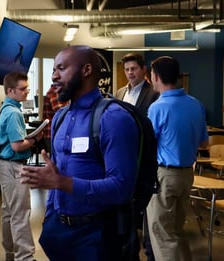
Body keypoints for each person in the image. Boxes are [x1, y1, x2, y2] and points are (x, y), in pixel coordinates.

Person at [20, 45, 140, 260]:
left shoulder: (113, 118)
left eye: (61, 68)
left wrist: (61, 182)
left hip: (97, 236)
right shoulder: (60, 117)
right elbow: (55, 173)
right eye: (53, 70)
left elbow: (122, 187)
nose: (54, 76)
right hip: (60, 232)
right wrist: (50, 220)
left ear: (86, 70)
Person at [146, 56, 209, 261]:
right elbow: (204, 144)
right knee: (177, 230)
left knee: (162, 234)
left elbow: (147, 145)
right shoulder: (196, 104)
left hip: (164, 176)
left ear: (155, 77)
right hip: (187, 176)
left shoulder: (157, 108)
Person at [0, 71, 43, 261]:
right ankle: (25, 257)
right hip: (13, 166)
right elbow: (17, 145)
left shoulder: (6, 109)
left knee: (9, 212)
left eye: (27, 88)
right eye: (22, 89)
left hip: (3, 165)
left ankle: (11, 254)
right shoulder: (14, 113)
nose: (26, 92)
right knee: (21, 214)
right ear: (10, 91)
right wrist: (35, 139)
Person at [116, 52, 159, 261]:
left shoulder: (153, 95)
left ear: (143, 70)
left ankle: (149, 251)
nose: (130, 73)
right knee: (125, 208)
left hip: (143, 156)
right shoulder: (119, 92)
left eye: (134, 69)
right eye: (127, 69)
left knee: (144, 207)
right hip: (122, 156)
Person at [42, 84, 69, 154]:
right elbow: (62, 113)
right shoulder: (55, 91)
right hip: (54, 133)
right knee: (58, 161)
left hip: (55, 133)